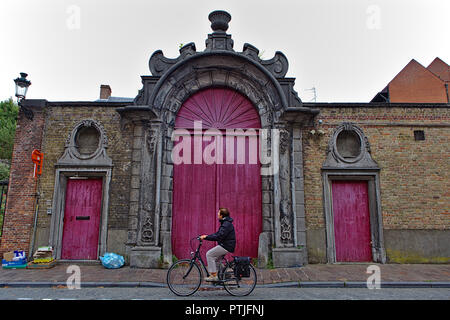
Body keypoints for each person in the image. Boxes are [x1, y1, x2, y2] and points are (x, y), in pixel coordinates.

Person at [200, 207, 236, 282]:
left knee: (209, 254)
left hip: (226, 246)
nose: (217, 214)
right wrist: (207, 236)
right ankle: (225, 275)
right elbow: (218, 234)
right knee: (216, 260)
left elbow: (219, 236)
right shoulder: (225, 223)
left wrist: (206, 237)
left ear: (222, 215)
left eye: (218, 213)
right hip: (225, 245)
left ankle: (213, 276)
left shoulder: (226, 224)